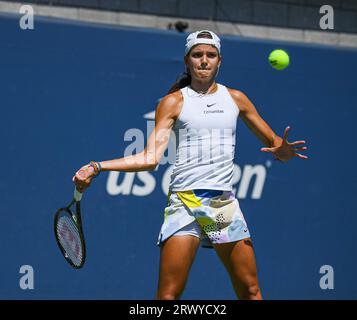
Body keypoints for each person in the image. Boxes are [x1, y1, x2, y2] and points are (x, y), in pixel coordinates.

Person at [73, 30, 308, 300]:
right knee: (167, 296)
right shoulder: (173, 102)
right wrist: (97, 166)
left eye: (210, 55)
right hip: (184, 204)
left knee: (251, 292)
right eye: (197, 55)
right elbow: (150, 158)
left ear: (220, 61)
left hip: (221, 205)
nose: (204, 61)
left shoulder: (236, 99)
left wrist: (284, 151)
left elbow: (275, 144)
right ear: (187, 61)